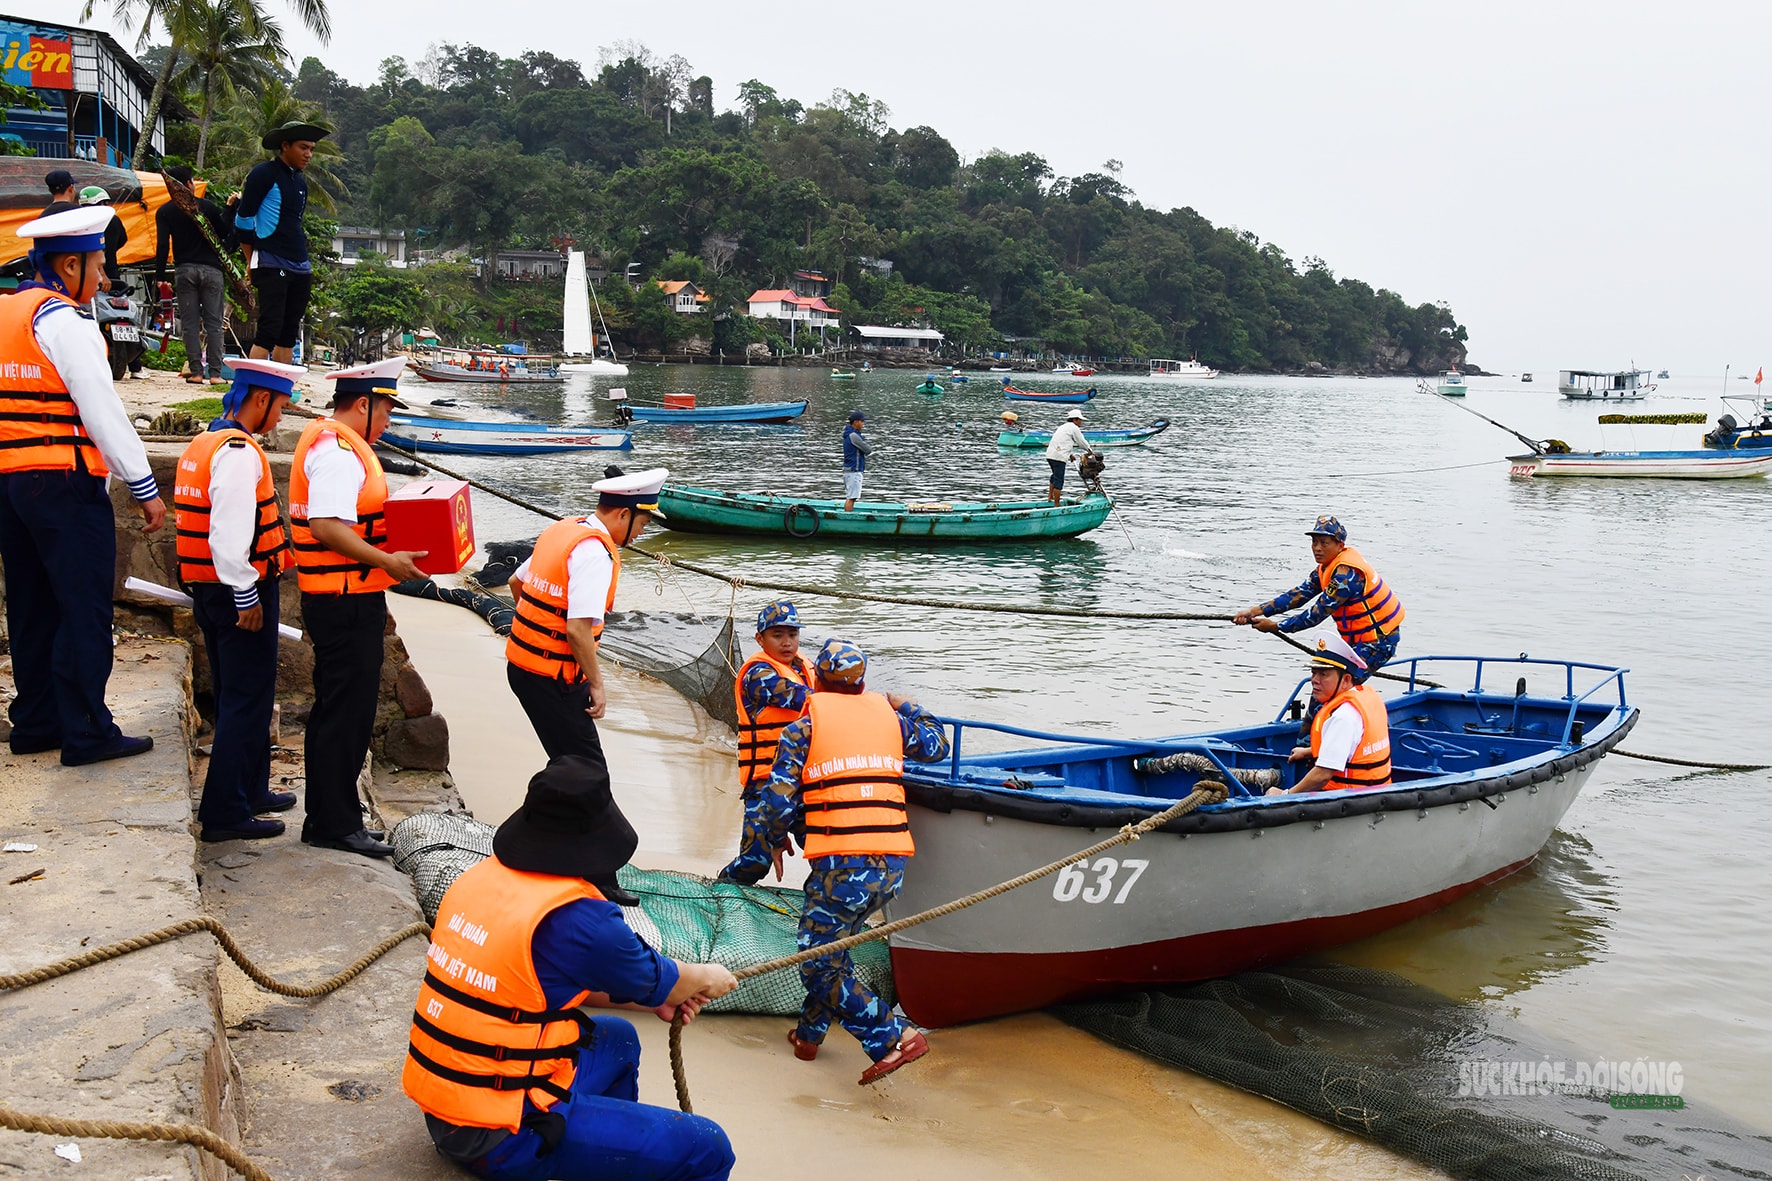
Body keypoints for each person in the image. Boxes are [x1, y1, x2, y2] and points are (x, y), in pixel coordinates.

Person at [403, 755, 737, 1181]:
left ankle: (607, 1161)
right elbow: (668, 980)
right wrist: (710, 976)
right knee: (708, 1146)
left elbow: (533, 987)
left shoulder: (480, 880)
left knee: (618, 1038)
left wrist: (653, 1001)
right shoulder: (583, 922)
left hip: (448, 1108)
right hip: (503, 1134)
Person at [0, 207, 166, 764]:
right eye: (97, 266)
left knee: (30, 605)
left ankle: (36, 722)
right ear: (69, 266)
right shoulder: (67, 323)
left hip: (11, 483)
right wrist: (143, 484)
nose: (104, 279)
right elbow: (102, 412)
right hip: (64, 483)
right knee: (82, 607)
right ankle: (88, 731)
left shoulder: (6, 313)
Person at [754, 639, 949, 1084]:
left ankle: (894, 1036)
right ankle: (808, 1037)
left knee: (817, 960)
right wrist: (909, 705)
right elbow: (938, 746)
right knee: (834, 949)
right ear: (862, 685)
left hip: (842, 866)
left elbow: (777, 803)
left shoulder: (803, 729)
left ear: (818, 682)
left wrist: (773, 841)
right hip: (892, 864)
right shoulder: (892, 721)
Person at [289, 357, 427, 859]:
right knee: (344, 715)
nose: (388, 421)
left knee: (343, 710)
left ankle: (334, 816)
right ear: (363, 405)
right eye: (386, 409)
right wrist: (388, 560)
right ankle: (333, 824)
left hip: (347, 596)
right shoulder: (338, 452)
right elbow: (327, 526)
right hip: (344, 601)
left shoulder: (335, 443)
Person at [174, 358, 305, 840]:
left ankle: (251, 789)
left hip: (211, 589)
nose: (281, 417)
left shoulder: (204, 442)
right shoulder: (237, 452)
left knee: (246, 692)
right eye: (281, 406)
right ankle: (226, 812)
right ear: (261, 399)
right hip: (236, 592)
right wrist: (247, 597)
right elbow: (228, 535)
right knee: (244, 700)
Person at [505, 468, 669, 787]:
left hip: (521, 668)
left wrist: (535, 633)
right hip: (554, 678)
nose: (641, 533)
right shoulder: (597, 554)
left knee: (568, 763)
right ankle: (544, 816)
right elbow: (577, 630)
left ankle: (553, 814)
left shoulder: (563, 530)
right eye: (643, 524)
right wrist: (597, 685)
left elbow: (516, 582)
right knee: (589, 774)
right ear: (624, 514)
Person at [1232, 515, 1406, 679]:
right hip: (1356, 641)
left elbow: (1316, 614)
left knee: (1334, 682)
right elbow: (1298, 595)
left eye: (1324, 543)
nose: (1317, 548)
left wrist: (1276, 626)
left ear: (1340, 545)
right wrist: (1254, 611)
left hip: (1378, 642)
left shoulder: (1346, 576)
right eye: (1314, 542)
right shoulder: (1326, 567)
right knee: (1322, 678)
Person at [716, 600, 812, 885]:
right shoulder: (758, 676)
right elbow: (798, 697)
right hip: (765, 784)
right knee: (755, 863)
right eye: (777, 635)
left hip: (805, 781)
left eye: (792, 634)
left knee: (824, 847)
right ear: (760, 639)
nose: (787, 642)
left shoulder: (807, 670)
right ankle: (721, 890)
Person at [232, 119, 329, 364]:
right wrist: (251, 260)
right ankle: (254, 385)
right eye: (303, 147)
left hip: (300, 264)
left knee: (288, 333)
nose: (308, 154)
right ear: (285, 146)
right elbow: (243, 220)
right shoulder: (264, 173)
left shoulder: (301, 182)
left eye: (312, 149)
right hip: (271, 261)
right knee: (269, 329)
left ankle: (281, 387)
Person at [1265, 634, 1392, 795]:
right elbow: (1351, 744)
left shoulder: (1343, 716)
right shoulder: (1365, 699)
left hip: (1349, 799)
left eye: (1323, 674)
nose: (1314, 680)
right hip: (1374, 792)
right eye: (1313, 673)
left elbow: (1322, 775)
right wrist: (1309, 751)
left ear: (1346, 680)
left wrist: (1284, 795)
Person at [154, 165, 232, 384]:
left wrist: (160, 276)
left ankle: (196, 373)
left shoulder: (165, 211)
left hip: (184, 270)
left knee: (189, 323)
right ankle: (215, 374)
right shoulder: (206, 206)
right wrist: (229, 209)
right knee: (214, 323)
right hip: (212, 270)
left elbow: (162, 245)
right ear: (188, 184)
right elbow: (224, 232)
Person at [77, 185, 143, 377]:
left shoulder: (87, 224)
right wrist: (110, 255)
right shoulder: (114, 220)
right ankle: (136, 367)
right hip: (113, 274)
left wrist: (101, 270)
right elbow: (123, 239)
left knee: (91, 316)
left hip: (94, 276)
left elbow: (91, 251)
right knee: (121, 316)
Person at [1044, 408, 1096, 504]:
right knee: (1059, 479)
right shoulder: (1074, 428)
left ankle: (1050, 497)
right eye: (1080, 420)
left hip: (1050, 455)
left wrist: (1070, 454)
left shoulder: (1063, 427)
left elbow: (1063, 442)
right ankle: (1056, 504)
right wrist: (1090, 451)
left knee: (1054, 476)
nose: (1081, 422)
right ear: (1075, 419)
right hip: (1059, 457)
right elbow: (1081, 442)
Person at [841, 410, 870, 511]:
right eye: (862, 421)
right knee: (852, 498)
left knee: (850, 496)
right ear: (855, 422)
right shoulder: (854, 435)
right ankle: (848, 517)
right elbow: (868, 450)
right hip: (854, 470)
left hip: (849, 469)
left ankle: (847, 513)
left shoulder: (848, 434)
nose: (863, 423)